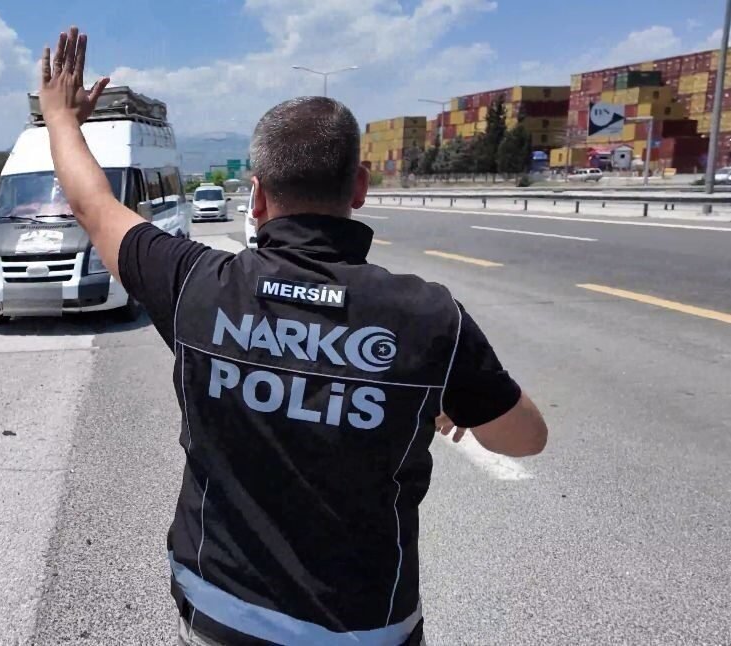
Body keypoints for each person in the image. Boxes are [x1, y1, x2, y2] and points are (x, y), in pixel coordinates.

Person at [38, 26, 548, 645]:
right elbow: (525, 438)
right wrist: (445, 397)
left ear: (255, 198)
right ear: (359, 187)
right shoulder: (428, 318)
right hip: (366, 630)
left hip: (219, 613)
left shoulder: (198, 284)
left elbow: (94, 206)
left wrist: (60, 118)